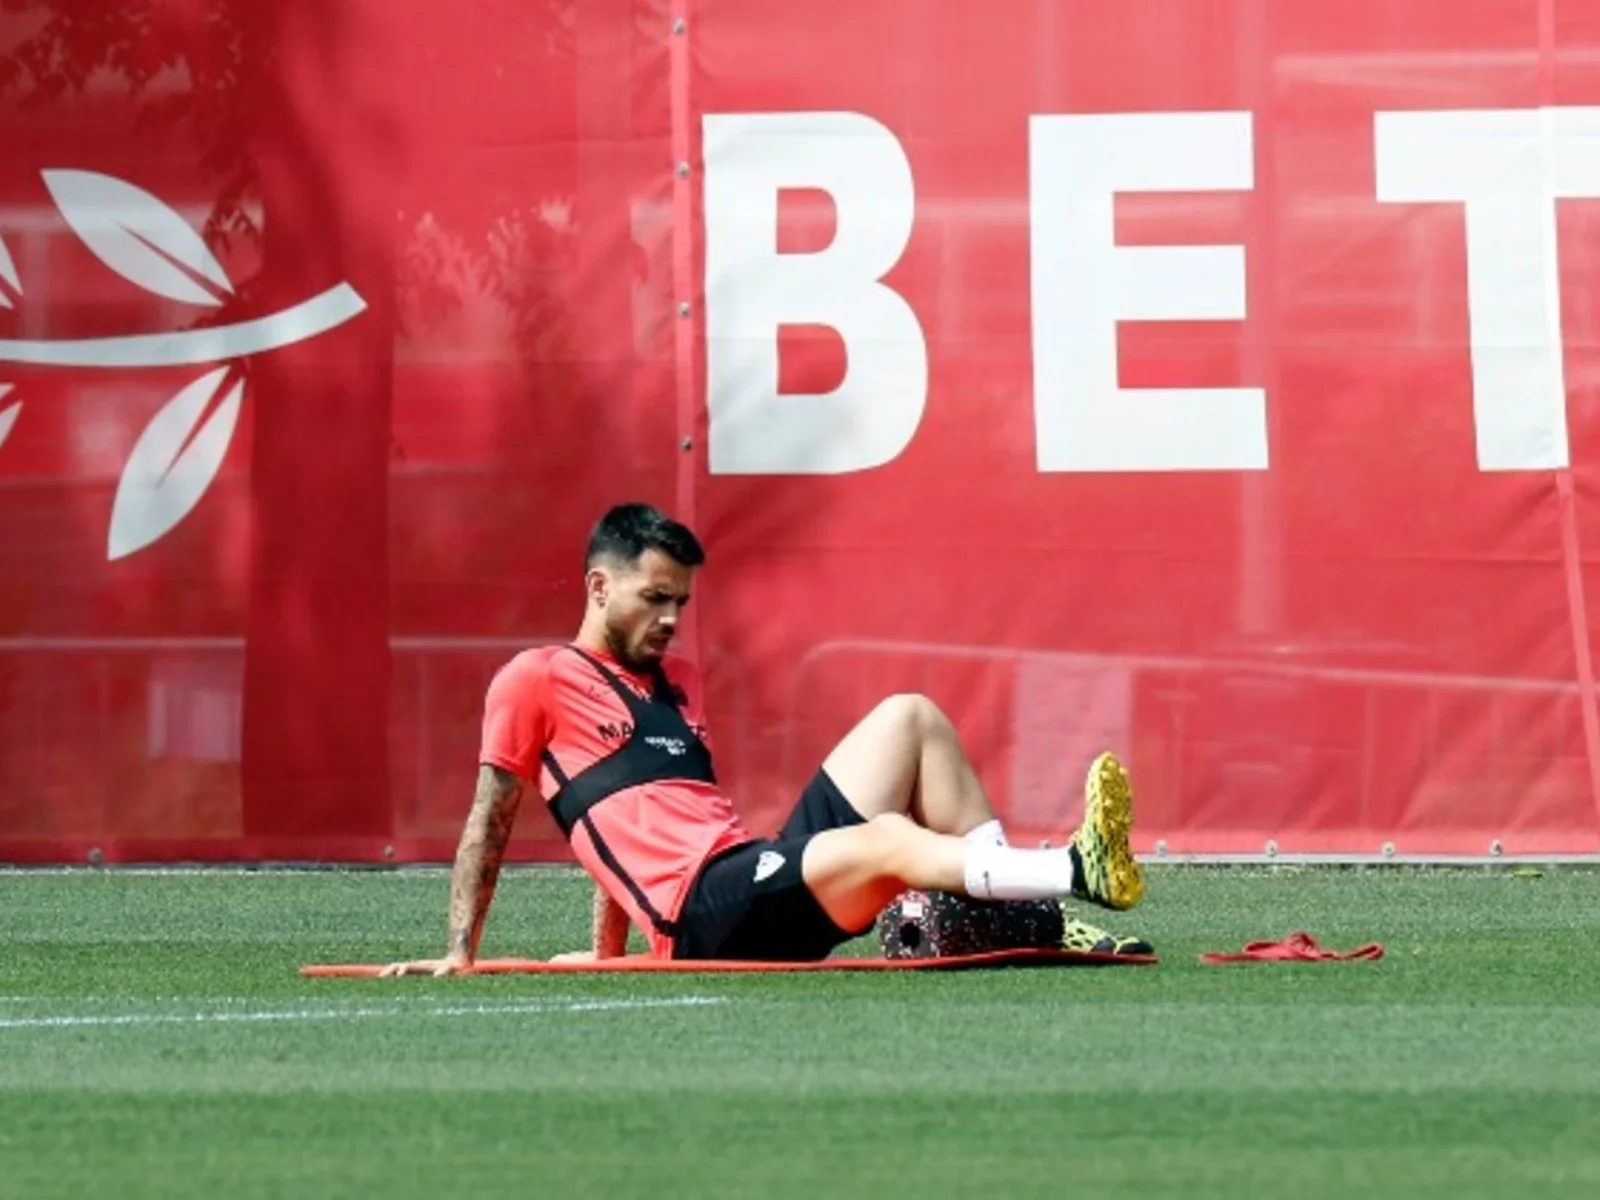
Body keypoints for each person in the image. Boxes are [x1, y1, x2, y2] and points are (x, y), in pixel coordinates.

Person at [382, 503, 1147, 976]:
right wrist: (461, 951)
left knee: (910, 718)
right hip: (705, 919)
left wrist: (611, 953)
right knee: (887, 836)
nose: (672, 616)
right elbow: (491, 818)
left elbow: (627, 823)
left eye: (680, 600)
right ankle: (1069, 871)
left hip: (745, 873)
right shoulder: (536, 677)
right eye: (655, 598)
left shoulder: (674, 680)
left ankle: (1013, 917)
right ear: (597, 587)